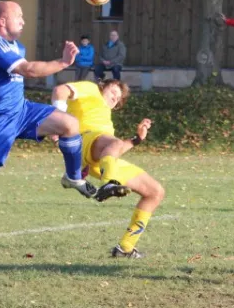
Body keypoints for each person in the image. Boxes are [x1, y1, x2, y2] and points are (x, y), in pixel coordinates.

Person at [0, 0, 116, 235]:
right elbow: (29, 70)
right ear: (3, 21)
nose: (24, 21)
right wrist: (64, 63)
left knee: (69, 124)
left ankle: (73, 177)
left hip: (21, 111)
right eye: (19, 16)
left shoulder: (16, 46)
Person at [51, 79, 165, 258]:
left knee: (155, 192)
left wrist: (137, 139)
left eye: (118, 98)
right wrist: (58, 121)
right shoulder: (90, 89)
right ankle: (107, 184)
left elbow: (113, 151)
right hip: (84, 140)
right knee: (114, 143)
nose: (115, 97)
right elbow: (59, 90)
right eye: (113, 91)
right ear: (103, 86)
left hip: (101, 162)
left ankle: (125, 248)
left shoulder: (106, 120)